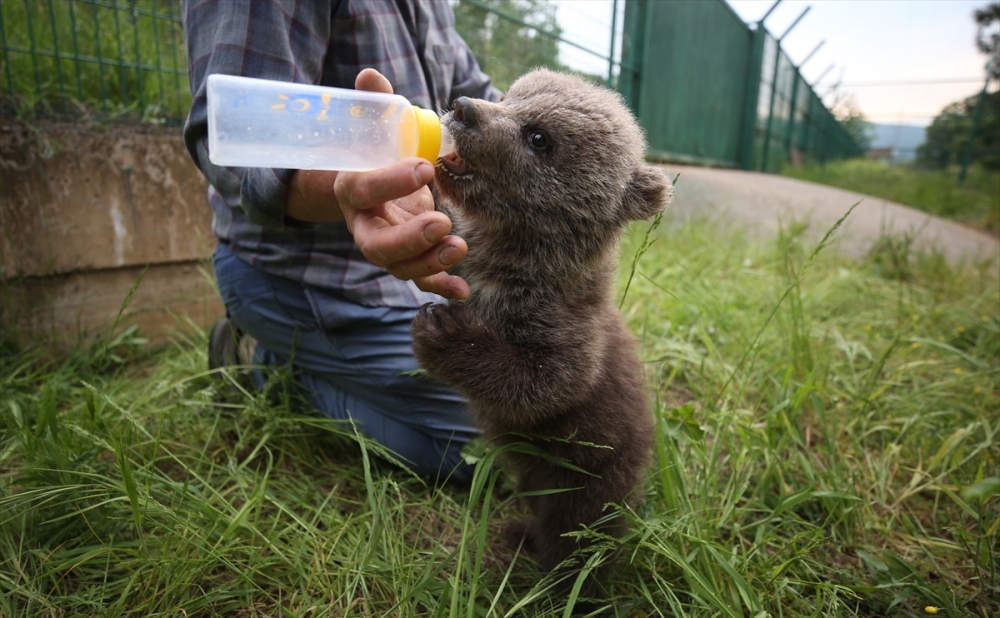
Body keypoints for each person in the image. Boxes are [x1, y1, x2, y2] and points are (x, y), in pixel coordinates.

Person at [182, 0, 501, 483]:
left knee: (540, 408)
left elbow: (481, 101)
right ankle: (271, 368)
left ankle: (304, 361)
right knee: (492, 445)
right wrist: (343, 187)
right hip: (303, 274)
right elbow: (229, 136)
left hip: (414, 262)